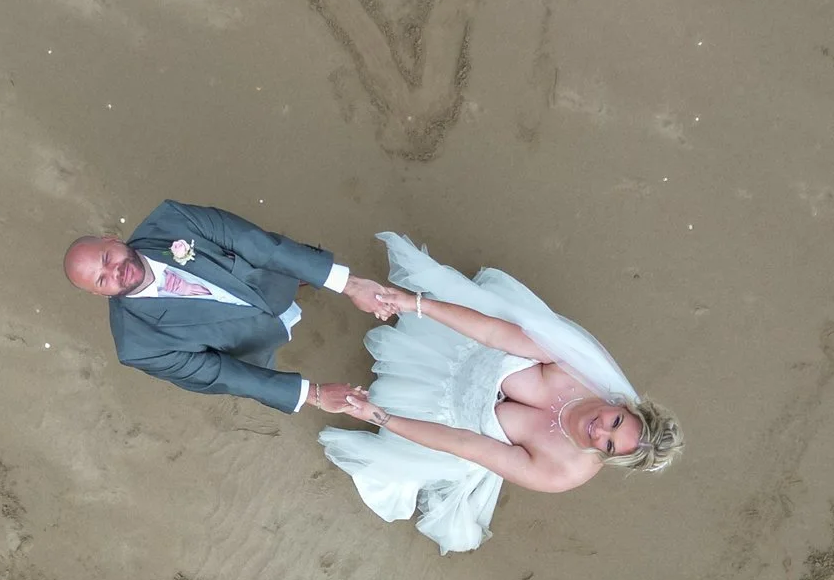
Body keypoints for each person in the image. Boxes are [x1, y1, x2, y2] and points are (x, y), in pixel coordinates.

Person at [319, 233, 680, 553]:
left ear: (609, 458)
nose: (599, 431)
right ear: (622, 404)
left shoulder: (559, 472)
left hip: (444, 416)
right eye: (615, 421)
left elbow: (465, 444)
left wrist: (381, 417)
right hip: (462, 355)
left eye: (609, 445)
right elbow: (494, 335)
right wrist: (415, 304)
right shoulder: (583, 368)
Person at [64, 200, 400, 415]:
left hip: (267, 279)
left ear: (111, 240)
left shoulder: (172, 220)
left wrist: (350, 285)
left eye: (107, 259)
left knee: (289, 268)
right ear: (99, 294)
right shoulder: (138, 347)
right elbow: (221, 375)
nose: (115, 272)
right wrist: (314, 394)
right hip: (248, 339)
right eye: (102, 280)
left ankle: (304, 280)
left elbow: (259, 246)